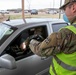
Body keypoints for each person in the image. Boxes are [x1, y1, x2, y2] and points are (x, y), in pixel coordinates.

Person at [29, 0, 76, 75]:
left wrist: (29, 41)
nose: (64, 13)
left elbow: (40, 50)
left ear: (73, 7)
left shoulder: (66, 33)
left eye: (65, 9)